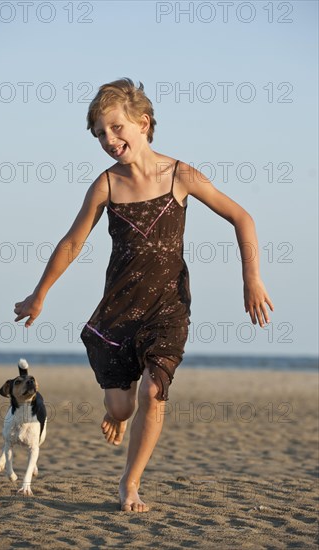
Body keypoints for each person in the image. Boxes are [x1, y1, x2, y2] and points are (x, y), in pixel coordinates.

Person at [14, 77, 274, 513]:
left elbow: (242, 217)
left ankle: (129, 485)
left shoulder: (180, 175)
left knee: (155, 390)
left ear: (143, 123)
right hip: (119, 309)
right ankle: (118, 413)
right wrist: (39, 294)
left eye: (116, 128)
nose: (109, 139)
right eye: (100, 133)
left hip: (168, 307)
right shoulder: (107, 185)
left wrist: (252, 278)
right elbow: (72, 243)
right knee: (120, 407)